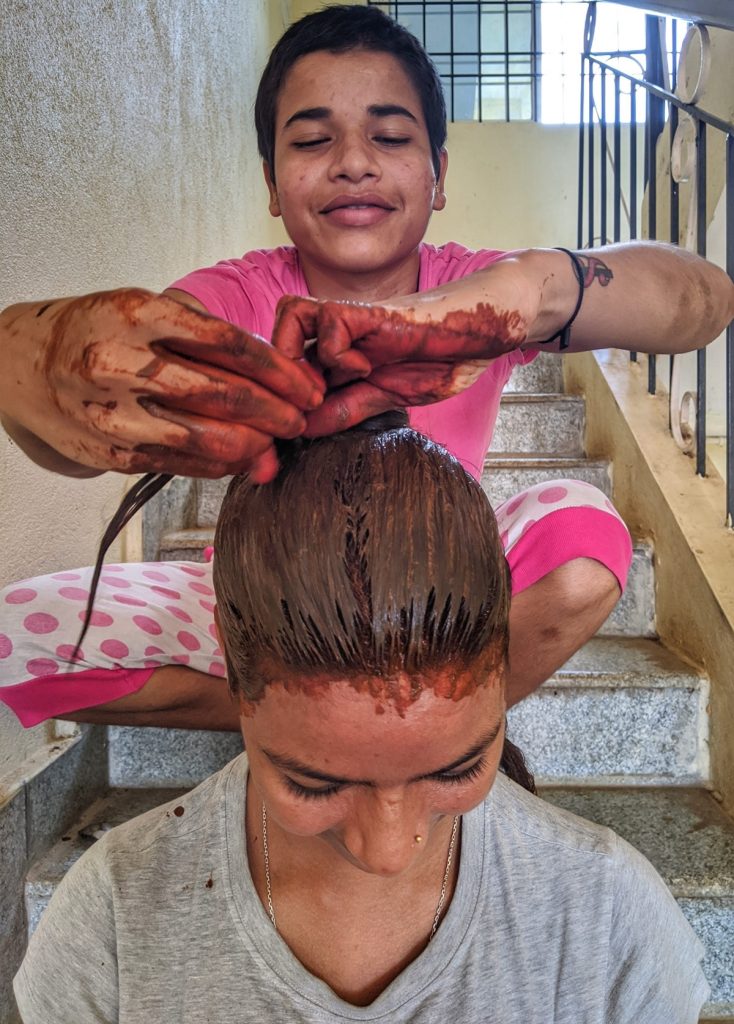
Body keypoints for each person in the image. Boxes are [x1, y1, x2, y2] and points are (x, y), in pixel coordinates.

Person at [0, 5, 732, 730]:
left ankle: (434, 732)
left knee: (585, 532)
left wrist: (525, 290)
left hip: (447, 606)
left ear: (438, 176)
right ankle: (323, 724)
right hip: (262, 614)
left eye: (389, 135)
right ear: (271, 180)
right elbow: (84, 432)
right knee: (19, 632)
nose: (353, 161)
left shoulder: (477, 285)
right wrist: (32, 361)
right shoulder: (237, 297)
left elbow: (702, 299)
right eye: (314, 139)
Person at [13, 415, 709, 1023]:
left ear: (505, 669)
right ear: (228, 671)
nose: (388, 852)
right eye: (316, 783)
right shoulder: (111, 919)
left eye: (458, 766)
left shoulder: (609, 914)